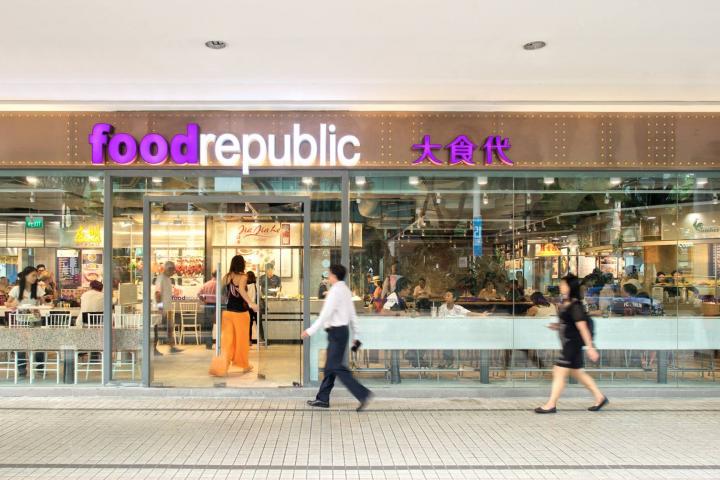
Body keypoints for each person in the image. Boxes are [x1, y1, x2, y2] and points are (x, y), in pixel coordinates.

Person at [302, 264, 373, 411]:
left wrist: (310, 331)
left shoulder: (335, 292)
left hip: (336, 333)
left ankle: (362, 394)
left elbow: (325, 314)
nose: (328, 276)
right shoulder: (345, 290)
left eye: (329, 273)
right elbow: (352, 314)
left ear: (334, 275)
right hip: (342, 332)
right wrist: (356, 334)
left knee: (335, 366)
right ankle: (322, 398)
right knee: (330, 367)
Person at [535, 273, 608, 414]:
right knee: (578, 373)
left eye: (563, 284)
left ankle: (551, 404)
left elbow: (582, 327)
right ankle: (600, 397)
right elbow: (569, 322)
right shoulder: (566, 303)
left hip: (572, 344)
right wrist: (557, 326)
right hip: (569, 343)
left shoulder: (575, 305)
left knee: (558, 371)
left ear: (570, 287)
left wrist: (590, 347)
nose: (560, 286)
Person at [210, 255, 258, 375]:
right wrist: (251, 303)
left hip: (228, 313)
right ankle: (244, 365)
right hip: (241, 314)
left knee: (227, 342)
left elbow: (221, 292)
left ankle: (220, 367)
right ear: (242, 264)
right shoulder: (243, 277)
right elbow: (241, 290)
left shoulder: (226, 276)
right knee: (242, 341)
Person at [154, 261, 182, 355]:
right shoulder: (160, 278)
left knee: (170, 327)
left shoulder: (168, 279)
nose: (174, 272)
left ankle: (171, 346)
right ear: (168, 269)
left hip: (168, 308)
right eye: (173, 270)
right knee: (156, 329)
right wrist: (160, 307)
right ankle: (153, 348)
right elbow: (157, 294)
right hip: (160, 308)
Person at [198, 271, 218, 348]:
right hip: (217, 305)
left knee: (208, 325)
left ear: (212, 275)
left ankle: (208, 344)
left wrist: (204, 300)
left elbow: (199, 294)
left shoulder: (206, 284)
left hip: (208, 305)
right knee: (220, 324)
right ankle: (221, 343)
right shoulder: (219, 284)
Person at [246, 271, 261, 344]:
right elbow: (260, 295)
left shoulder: (245, 286)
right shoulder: (256, 285)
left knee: (249, 324)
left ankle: (249, 340)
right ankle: (261, 339)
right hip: (255, 306)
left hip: (248, 307)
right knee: (259, 323)